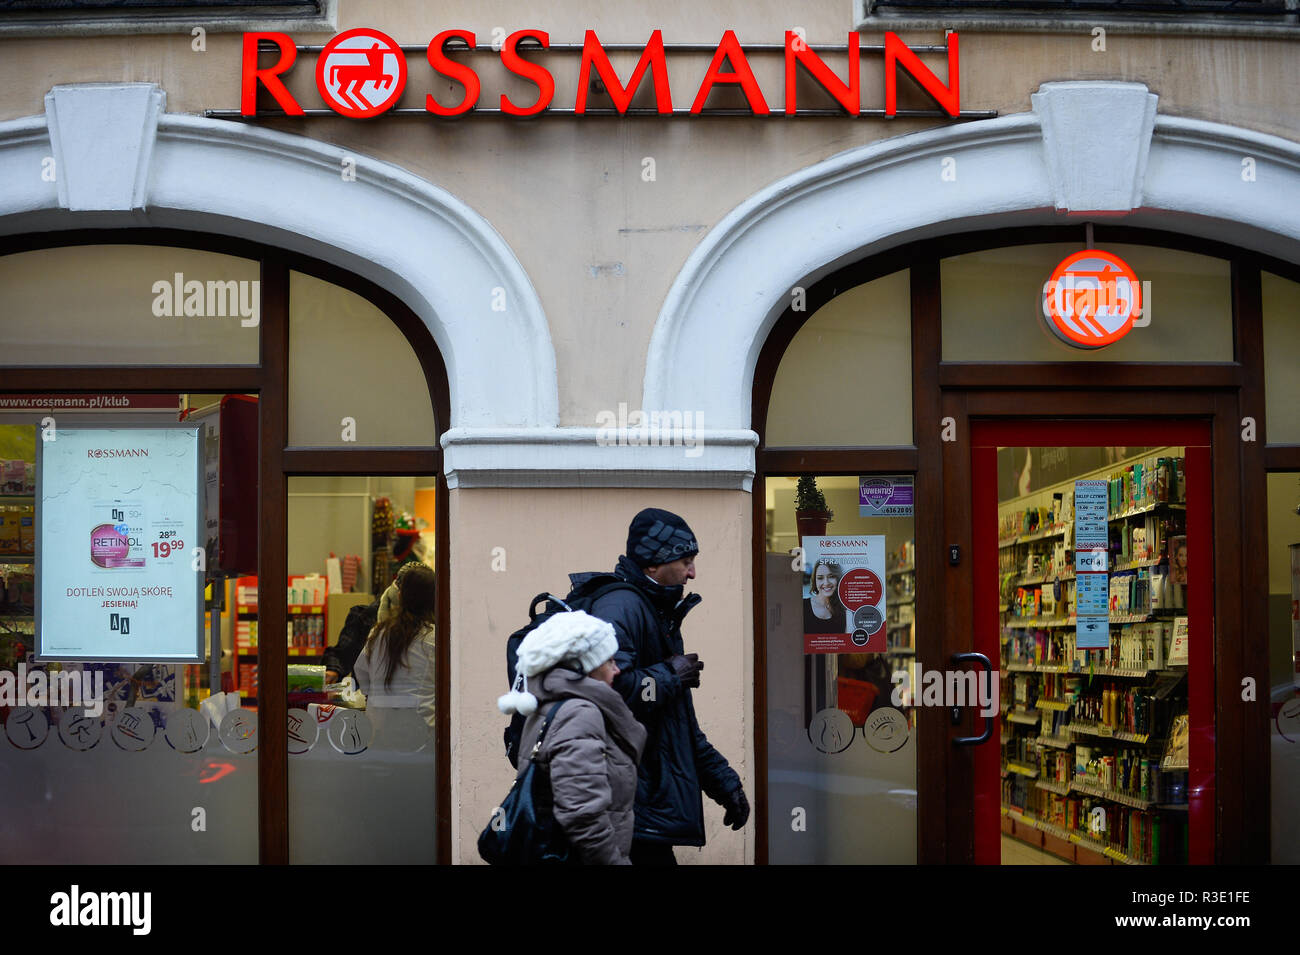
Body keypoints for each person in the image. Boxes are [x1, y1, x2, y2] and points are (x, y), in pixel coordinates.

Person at [585, 507, 749, 865]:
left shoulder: (653, 609)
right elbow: (606, 693)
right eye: (685, 560)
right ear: (651, 565)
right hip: (625, 806)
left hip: (642, 805)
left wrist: (723, 782)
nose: (692, 572)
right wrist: (670, 676)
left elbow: (676, 723)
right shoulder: (620, 607)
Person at [497, 610, 647, 865]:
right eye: (609, 660)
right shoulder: (580, 713)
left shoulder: (549, 703)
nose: (617, 669)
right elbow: (582, 814)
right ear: (584, 667)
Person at [353, 562, 436, 728]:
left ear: (400, 596)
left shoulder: (379, 632)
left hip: (379, 727)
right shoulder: (435, 637)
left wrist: (377, 696)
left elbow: (360, 671)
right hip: (422, 732)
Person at [803, 558, 846, 634]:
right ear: (814, 581)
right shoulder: (802, 606)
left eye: (831, 576)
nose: (826, 583)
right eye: (820, 578)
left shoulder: (845, 610)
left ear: (838, 578)